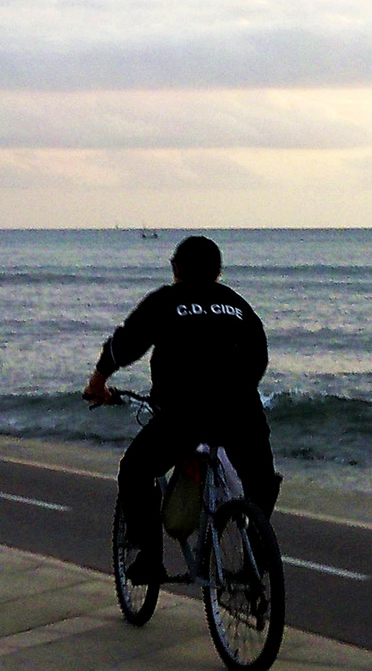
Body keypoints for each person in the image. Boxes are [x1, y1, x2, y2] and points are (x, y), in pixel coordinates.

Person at [84, 236, 280, 583]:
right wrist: (237, 390)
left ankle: (149, 557)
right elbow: (259, 356)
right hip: (241, 412)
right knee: (261, 480)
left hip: (184, 414)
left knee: (135, 470)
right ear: (219, 272)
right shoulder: (237, 305)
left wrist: (98, 381)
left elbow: (126, 343)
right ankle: (255, 554)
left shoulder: (167, 300)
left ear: (176, 269)